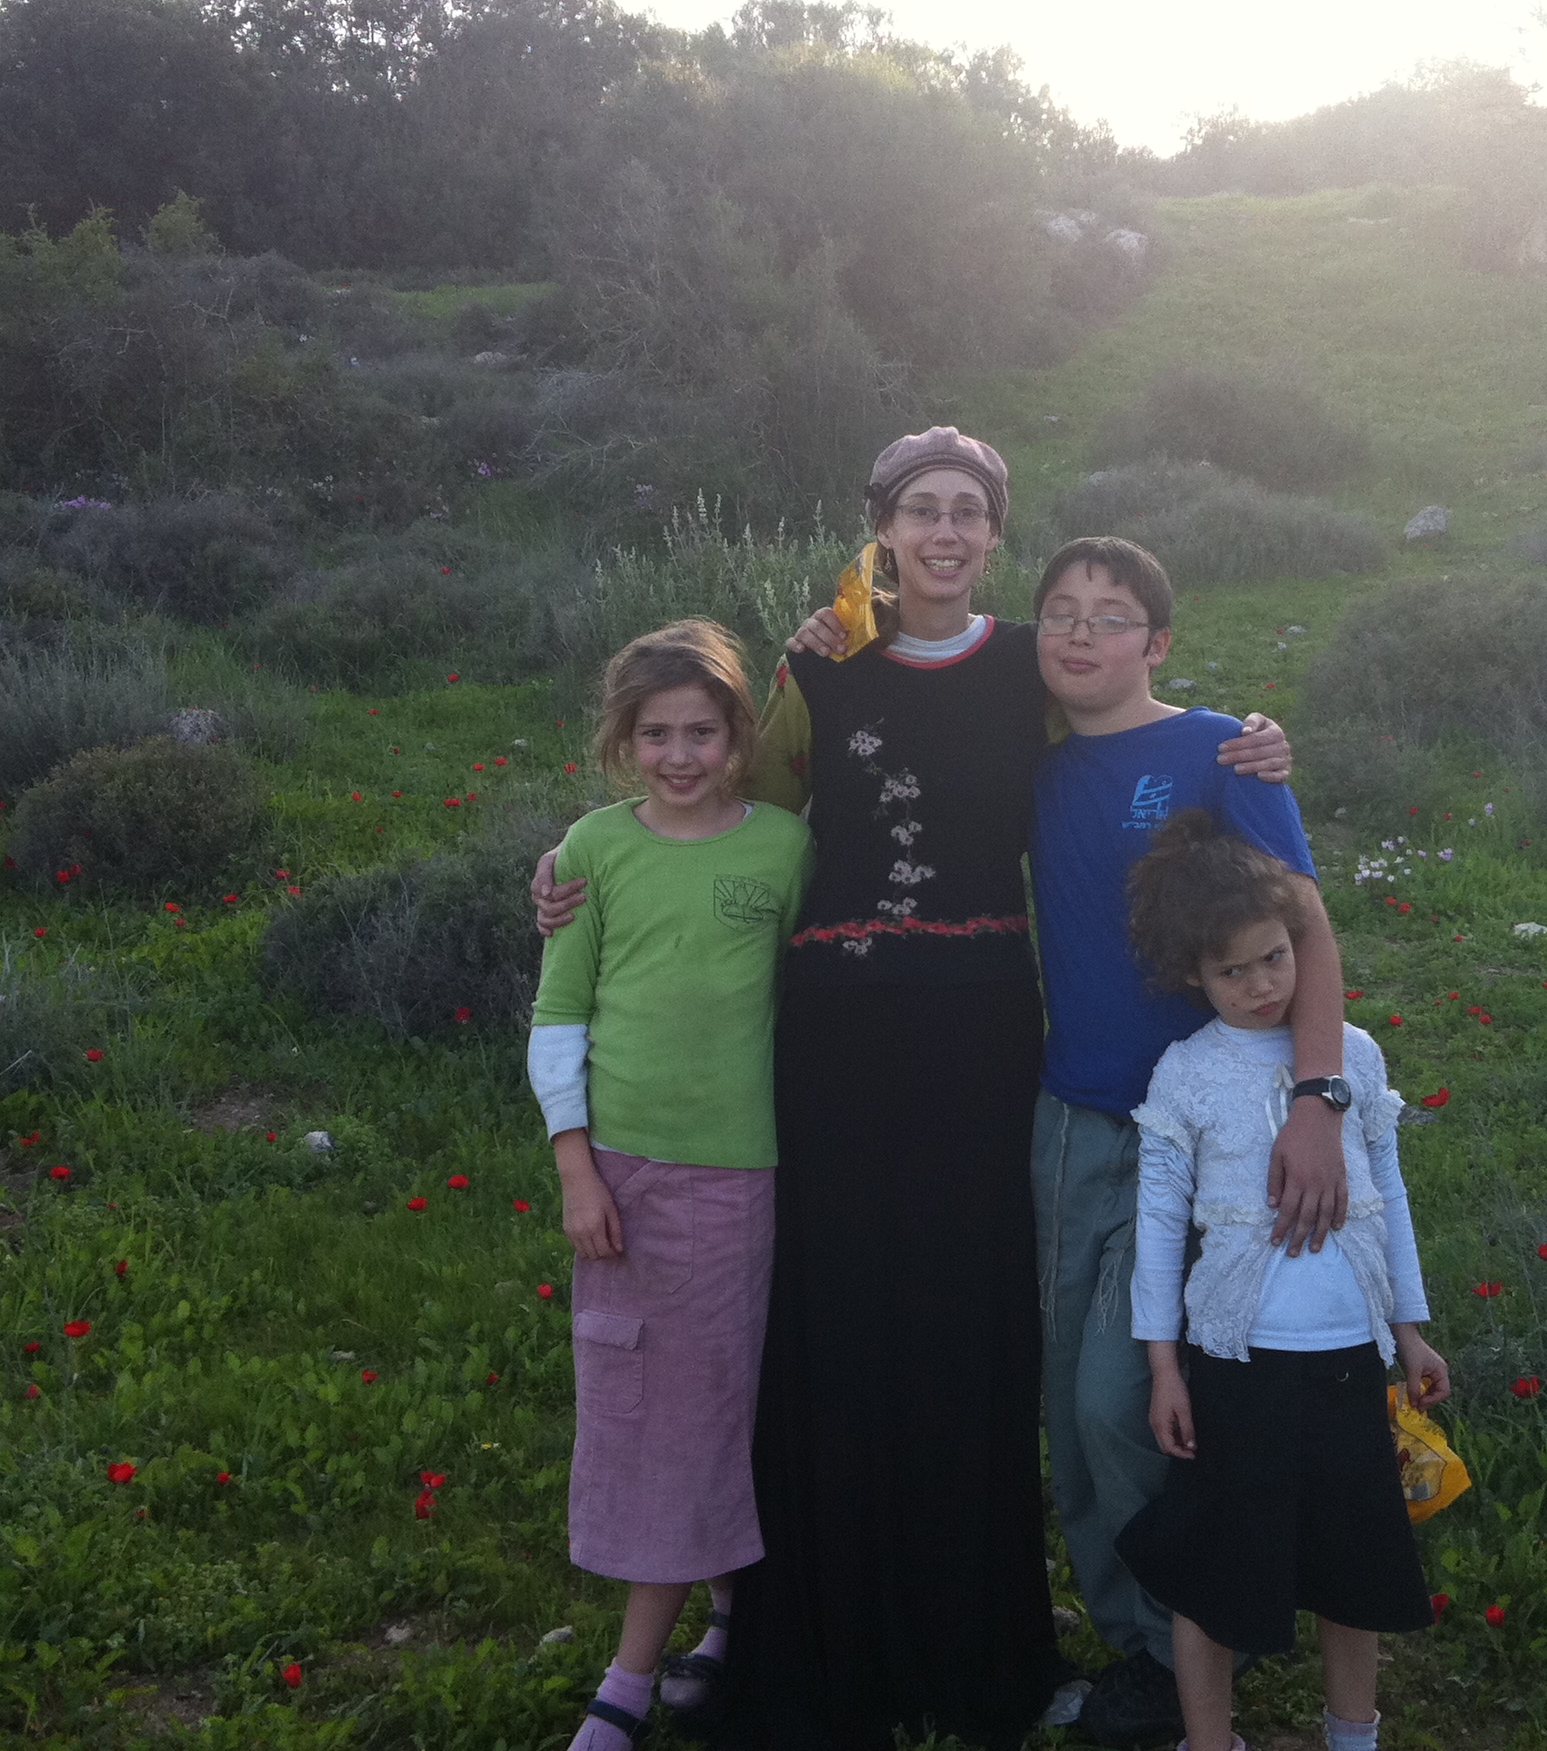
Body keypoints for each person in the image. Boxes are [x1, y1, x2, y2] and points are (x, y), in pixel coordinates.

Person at [539, 429, 1296, 1749]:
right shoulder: (818, 667)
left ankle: (969, 1631)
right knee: (836, 1314)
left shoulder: (1030, 663)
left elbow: (1127, 710)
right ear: (882, 527)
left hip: (980, 1033)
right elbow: (718, 806)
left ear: (992, 534)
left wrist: (1249, 744)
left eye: (967, 512)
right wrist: (573, 866)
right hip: (835, 1036)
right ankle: (811, 1617)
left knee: (965, 1319)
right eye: (920, 510)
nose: (944, 532)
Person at [1022, 537, 1356, 1746]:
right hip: (1072, 1121)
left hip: (1202, 1133)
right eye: (1060, 611)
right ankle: (1139, 1643)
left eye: (1111, 615)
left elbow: (1306, 931)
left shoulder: (1221, 750)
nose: (1081, 632)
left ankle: (1192, 1641)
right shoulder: (1033, 765)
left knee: (1124, 1398)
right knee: (1071, 1410)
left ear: (1157, 641)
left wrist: (1318, 1101)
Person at [527, 620, 813, 1751]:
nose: (680, 755)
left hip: (736, 1176)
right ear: (621, 740)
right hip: (618, 1175)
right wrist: (575, 1166)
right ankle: (723, 1615)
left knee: (708, 1403)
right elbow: (560, 1013)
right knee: (639, 1397)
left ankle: (633, 1675)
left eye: (702, 732)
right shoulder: (593, 847)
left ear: (740, 736)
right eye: (656, 734)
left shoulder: (785, 849)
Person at [1114, 810, 1448, 1751]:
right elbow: (1157, 1230)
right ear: (1193, 975)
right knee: (1214, 1573)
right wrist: (1165, 1367)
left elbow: (1389, 1193)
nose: (1262, 985)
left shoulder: (1352, 1056)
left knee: (1354, 1568)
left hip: (1349, 1358)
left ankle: (1353, 1737)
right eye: (1234, 971)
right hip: (1237, 1366)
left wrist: (1410, 1327)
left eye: (1275, 958)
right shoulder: (1185, 1075)